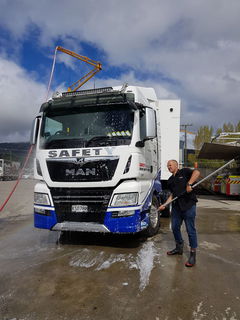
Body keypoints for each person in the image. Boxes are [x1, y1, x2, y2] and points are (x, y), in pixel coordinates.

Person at [159, 160, 200, 267]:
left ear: (176, 165)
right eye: (167, 165)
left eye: (170, 165)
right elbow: (172, 195)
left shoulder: (184, 172)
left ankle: (192, 254)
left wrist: (189, 184)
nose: (168, 167)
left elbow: (197, 173)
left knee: (190, 230)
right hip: (177, 207)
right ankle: (179, 247)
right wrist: (165, 204)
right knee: (175, 227)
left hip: (188, 205)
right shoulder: (170, 180)